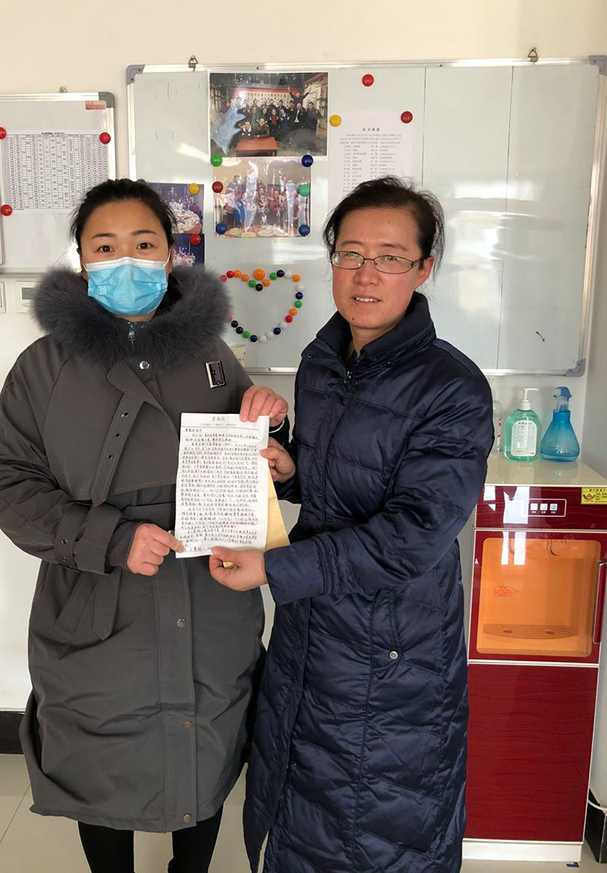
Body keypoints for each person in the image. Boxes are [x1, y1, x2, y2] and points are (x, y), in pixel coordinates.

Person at [0, 178, 288, 873]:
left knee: (205, 737)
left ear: (171, 255)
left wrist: (272, 426)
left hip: (208, 591)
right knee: (98, 748)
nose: (126, 261)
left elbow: (251, 460)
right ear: (82, 260)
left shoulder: (213, 356)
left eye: (144, 244)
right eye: (105, 247)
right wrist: (110, 538)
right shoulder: (42, 368)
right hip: (98, 596)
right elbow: (7, 482)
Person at [209, 177, 494, 873]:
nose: (367, 274)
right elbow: (334, 488)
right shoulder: (323, 360)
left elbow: (411, 536)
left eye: (391, 257)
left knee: (378, 827)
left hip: (394, 651)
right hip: (311, 630)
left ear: (423, 269)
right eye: (352, 253)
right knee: (298, 807)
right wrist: (286, 466)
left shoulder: (452, 388)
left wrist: (274, 568)